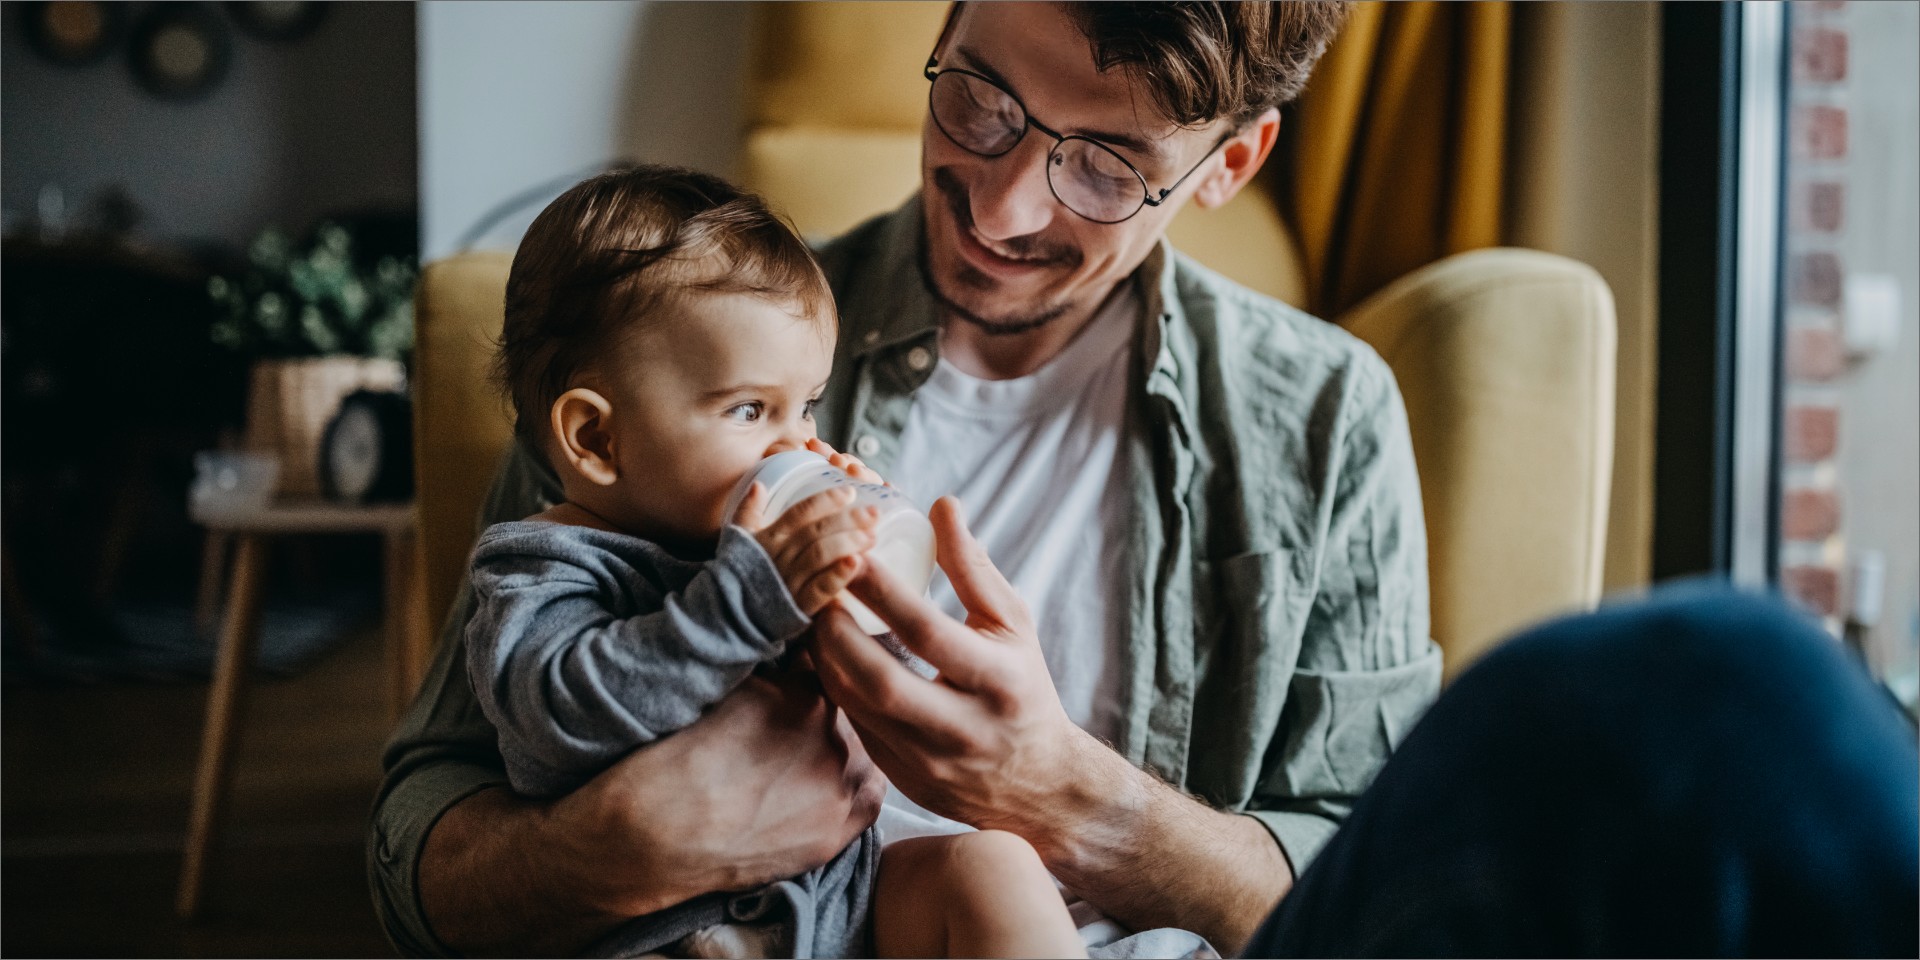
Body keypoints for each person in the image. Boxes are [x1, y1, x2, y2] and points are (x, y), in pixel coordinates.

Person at [372, 3, 1407, 956]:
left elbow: (1399, 889)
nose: (999, 210)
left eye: (1103, 166)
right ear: (947, 25)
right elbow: (422, 833)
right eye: (981, 101)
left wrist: (1070, 797)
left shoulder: (1324, 419)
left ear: (1230, 163)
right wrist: (615, 853)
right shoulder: (671, 348)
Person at [459, 165, 1086, 958]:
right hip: (663, 932)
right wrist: (746, 602)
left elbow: (857, 696)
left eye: (808, 406)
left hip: (837, 907)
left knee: (991, 867)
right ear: (597, 440)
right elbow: (558, 715)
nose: (799, 447)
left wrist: (875, 599)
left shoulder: (753, 555)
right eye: (751, 410)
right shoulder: (542, 570)